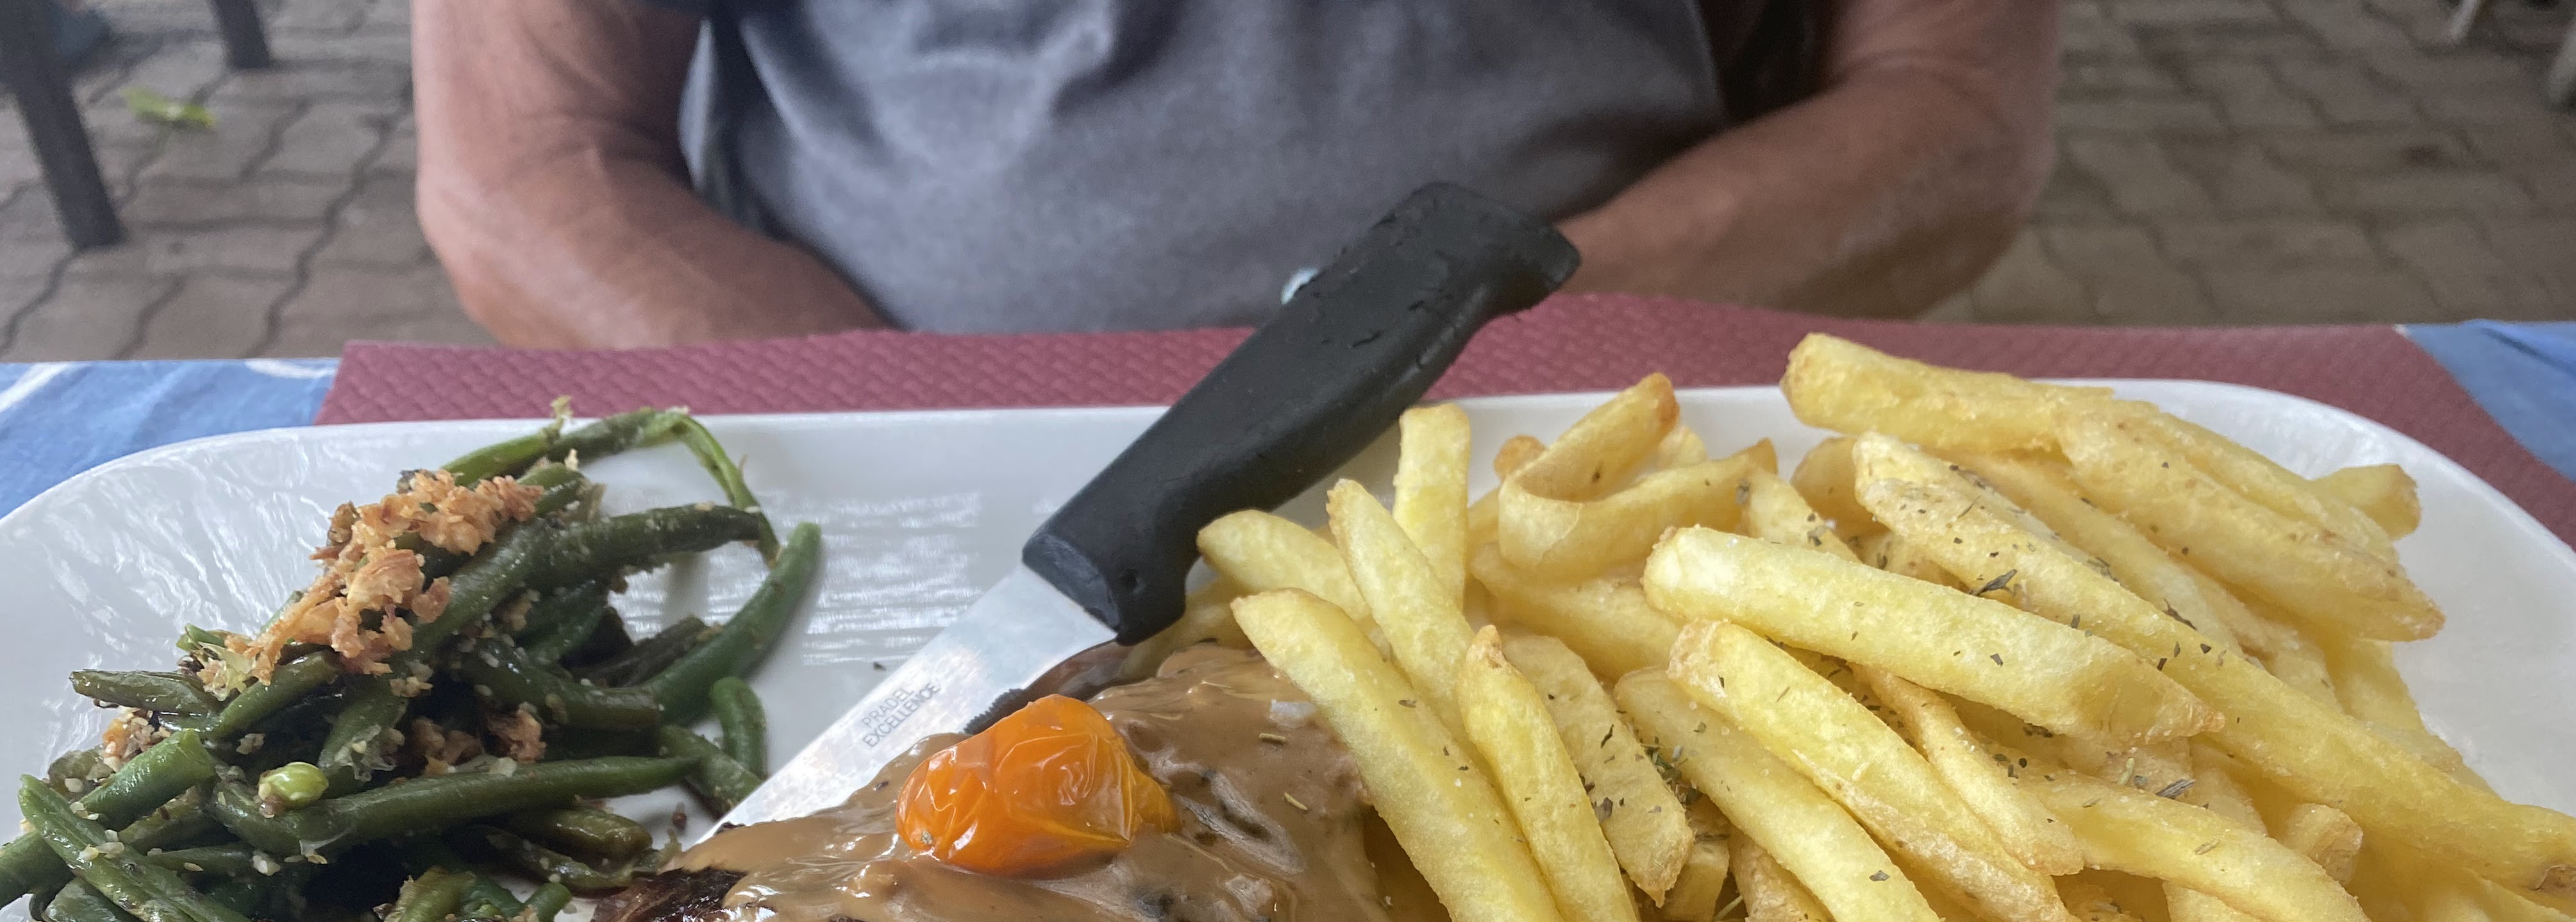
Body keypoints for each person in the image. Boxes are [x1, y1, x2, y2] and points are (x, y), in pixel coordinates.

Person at [414, 0, 2060, 346]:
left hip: (1589, 431)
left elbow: (1952, 108)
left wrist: (1452, 346)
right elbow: (529, 170)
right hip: (892, 453)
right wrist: (927, 464)